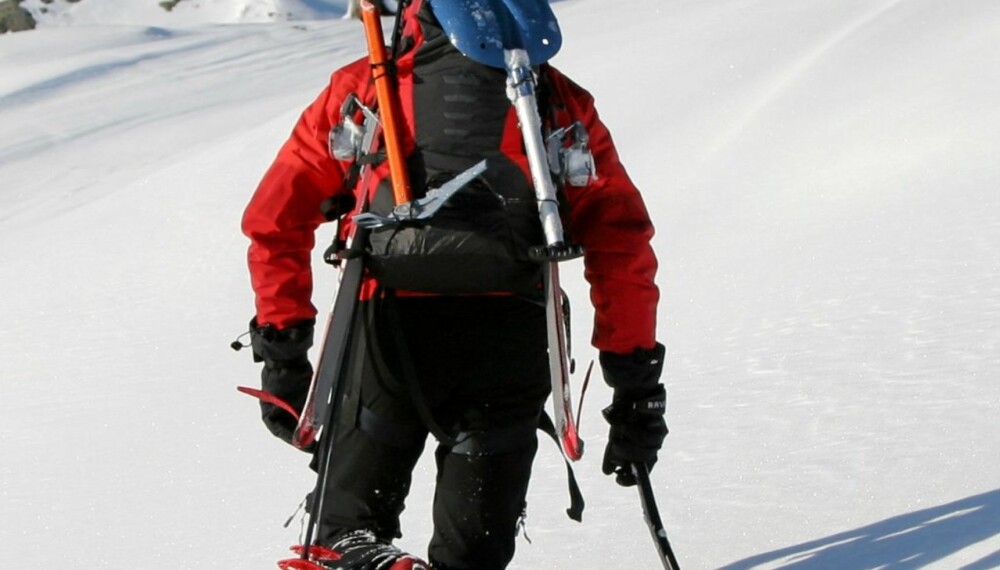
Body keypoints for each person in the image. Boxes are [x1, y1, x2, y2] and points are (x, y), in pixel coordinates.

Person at [241, 1, 666, 569]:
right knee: (473, 556)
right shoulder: (553, 98)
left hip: (387, 332)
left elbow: (275, 220)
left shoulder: (367, 87)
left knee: (342, 538)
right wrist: (635, 388)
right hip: (511, 336)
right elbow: (623, 246)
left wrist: (283, 351)